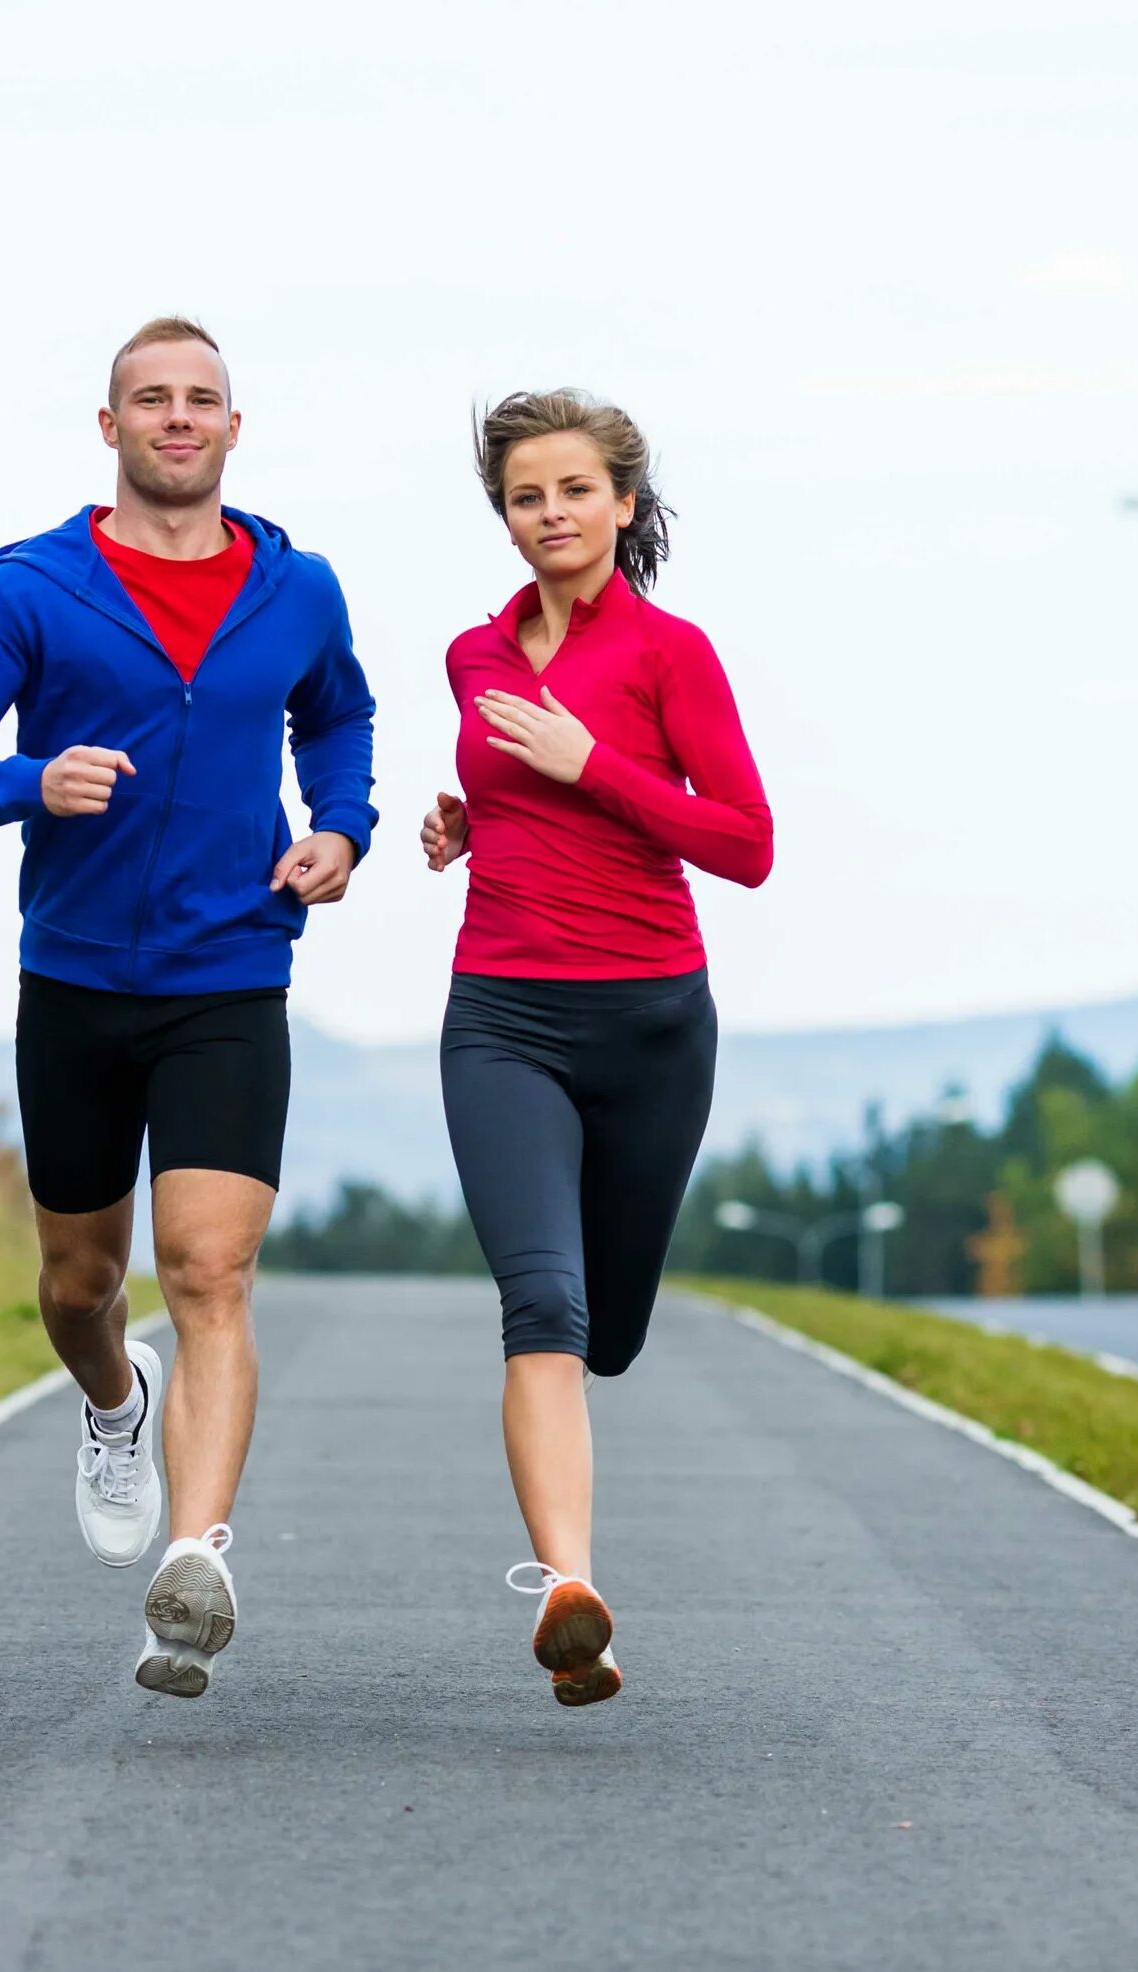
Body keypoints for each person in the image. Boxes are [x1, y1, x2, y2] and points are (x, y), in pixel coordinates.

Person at [0, 317, 377, 1698]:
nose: (178, 419)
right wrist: (27, 783)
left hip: (233, 969)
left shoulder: (299, 588)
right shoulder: (31, 589)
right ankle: (115, 1400)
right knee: (81, 1285)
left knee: (209, 1273)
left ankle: (199, 1559)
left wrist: (338, 830)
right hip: (80, 984)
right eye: (150, 400)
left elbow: (336, 720)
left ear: (235, 427)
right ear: (109, 429)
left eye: (202, 400)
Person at [423, 390, 773, 1706]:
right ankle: (572, 1593)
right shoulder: (474, 656)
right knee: (543, 1308)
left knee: (607, 1326)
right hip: (502, 1012)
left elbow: (744, 841)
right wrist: (475, 825)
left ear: (625, 504)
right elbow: (509, 790)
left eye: (575, 489)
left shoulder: (672, 655)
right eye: (526, 495)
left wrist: (588, 767)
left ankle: (595, 1382)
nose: (551, 514)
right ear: (505, 516)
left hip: (652, 1022)